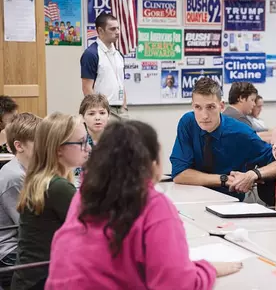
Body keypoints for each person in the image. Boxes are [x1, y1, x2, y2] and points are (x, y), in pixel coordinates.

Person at [45, 120, 242, 289]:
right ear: (152, 163)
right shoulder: (152, 205)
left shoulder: (83, 196)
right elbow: (177, 285)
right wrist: (208, 269)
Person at [11, 113, 91, 289]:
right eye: (81, 143)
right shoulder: (57, 188)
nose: (88, 148)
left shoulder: (44, 180)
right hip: (42, 281)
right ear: (58, 148)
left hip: (30, 279)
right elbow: (96, 229)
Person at [170, 77, 276, 202]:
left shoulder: (240, 132)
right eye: (198, 107)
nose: (204, 116)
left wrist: (254, 174)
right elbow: (179, 175)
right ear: (192, 106)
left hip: (228, 203)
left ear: (221, 106)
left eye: (211, 107)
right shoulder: (188, 122)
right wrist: (225, 179)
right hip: (191, 198)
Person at [0, 113, 41, 287]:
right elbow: (30, 226)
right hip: (9, 253)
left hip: (20, 246)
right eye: (38, 142)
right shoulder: (16, 176)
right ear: (19, 146)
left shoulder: (26, 170)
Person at [80, 12, 127, 115]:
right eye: (113, 29)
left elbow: (121, 83)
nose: (118, 32)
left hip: (121, 109)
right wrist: (99, 112)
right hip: (103, 110)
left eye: (118, 28)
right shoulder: (91, 54)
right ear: (100, 31)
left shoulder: (118, 55)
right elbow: (87, 88)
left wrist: (124, 106)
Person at [74, 94, 110, 178]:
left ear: (108, 116)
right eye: (91, 114)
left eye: (102, 113)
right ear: (82, 117)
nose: (97, 118)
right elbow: (75, 175)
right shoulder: (76, 143)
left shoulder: (116, 142)